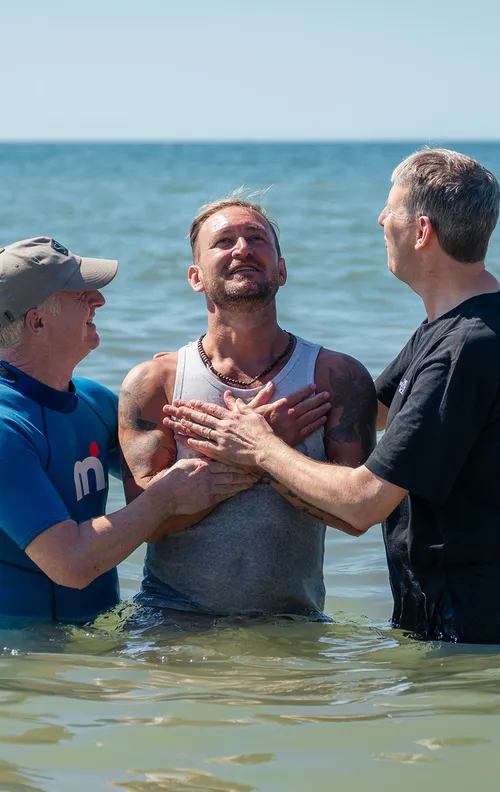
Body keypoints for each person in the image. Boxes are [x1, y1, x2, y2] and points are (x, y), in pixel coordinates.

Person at [165, 149, 500, 645]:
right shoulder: (447, 328)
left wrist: (260, 447)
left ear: (422, 232)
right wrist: (261, 402)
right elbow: (374, 409)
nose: (381, 220)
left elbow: (364, 502)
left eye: (393, 210)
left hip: (474, 626)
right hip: (448, 617)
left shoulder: (467, 345)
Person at [119, 196, 377, 620]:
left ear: (282, 270)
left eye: (256, 238)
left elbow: (354, 515)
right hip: (171, 624)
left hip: (293, 624)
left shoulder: (336, 376)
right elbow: (143, 526)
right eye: (223, 241)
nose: (242, 248)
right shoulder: (154, 383)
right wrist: (256, 455)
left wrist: (265, 451)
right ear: (195, 277)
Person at [0, 237, 253, 623]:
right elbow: (71, 563)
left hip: (93, 653)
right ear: (37, 321)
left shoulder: (93, 402)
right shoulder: (6, 429)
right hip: (24, 667)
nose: (98, 301)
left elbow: (180, 461)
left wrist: (195, 384)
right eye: (80, 293)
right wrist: (164, 499)